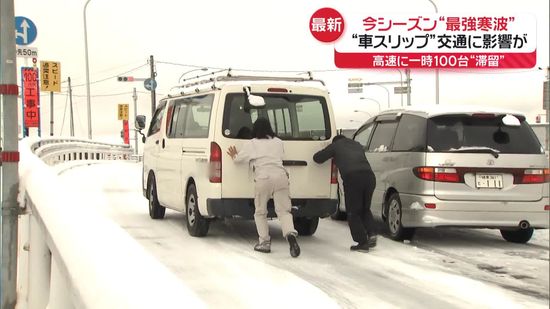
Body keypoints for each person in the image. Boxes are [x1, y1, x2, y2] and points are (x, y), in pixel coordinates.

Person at [227, 117, 300, 258]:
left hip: (263, 178)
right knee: (284, 211)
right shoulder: (278, 142)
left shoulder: (252, 143)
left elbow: (238, 160)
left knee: (260, 212)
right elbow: (281, 156)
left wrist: (234, 154)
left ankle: (264, 242)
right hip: (281, 177)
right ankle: (291, 236)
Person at [313, 134, 377, 252]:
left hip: (353, 178)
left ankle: (362, 243)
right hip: (369, 177)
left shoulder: (336, 146)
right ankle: (372, 234)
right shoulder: (356, 145)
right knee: (365, 209)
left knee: (353, 211)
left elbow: (317, 158)